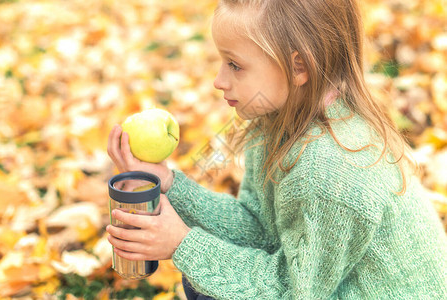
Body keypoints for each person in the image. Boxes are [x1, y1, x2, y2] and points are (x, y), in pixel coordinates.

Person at [106, 0, 447, 299]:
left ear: (299, 66)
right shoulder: (274, 120)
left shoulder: (329, 171)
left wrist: (182, 244)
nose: (219, 80)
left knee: (206, 274)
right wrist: (169, 183)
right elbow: (260, 230)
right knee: (204, 277)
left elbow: (294, 292)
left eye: (235, 65)